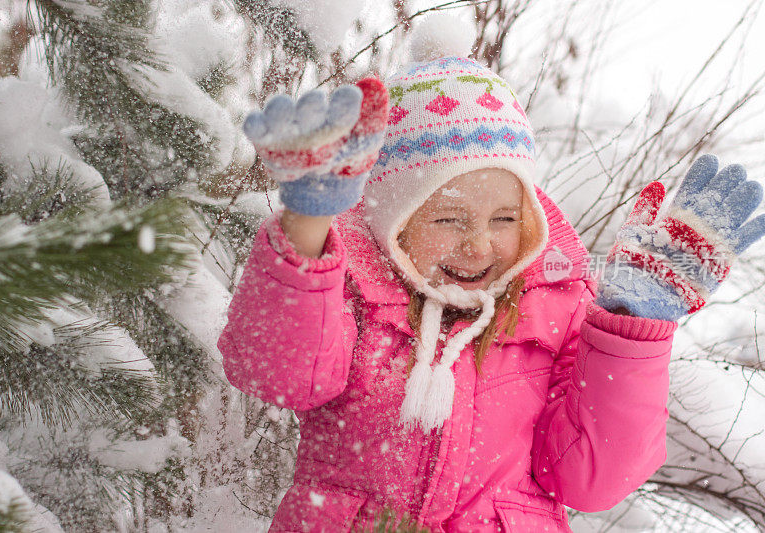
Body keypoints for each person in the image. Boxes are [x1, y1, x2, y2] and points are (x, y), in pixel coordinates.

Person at [217, 24, 765, 533]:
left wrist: (628, 335)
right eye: (448, 218)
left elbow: (591, 479)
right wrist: (308, 226)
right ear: (394, 220)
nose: (478, 244)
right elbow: (277, 375)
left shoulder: (557, 312)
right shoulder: (357, 294)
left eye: (504, 219)